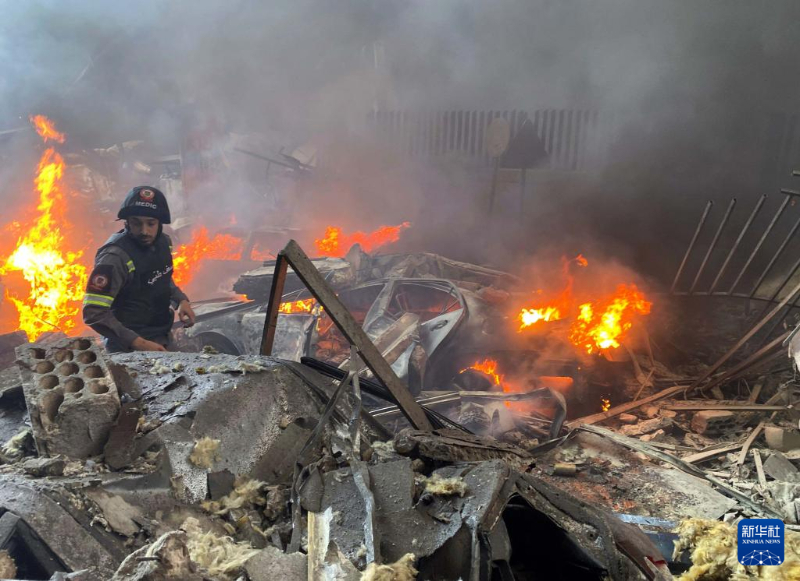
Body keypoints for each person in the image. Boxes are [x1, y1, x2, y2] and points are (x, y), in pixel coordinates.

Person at [83, 186, 195, 352]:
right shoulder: (114, 258)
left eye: (151, 223)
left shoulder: (164, 243)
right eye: (136, 223)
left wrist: (181, 300)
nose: (144, 231)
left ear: (160, 223)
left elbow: (159, 276)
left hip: (161, 336)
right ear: (127, 222)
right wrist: (138, 343)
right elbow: (94, 312)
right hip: (127, 347)